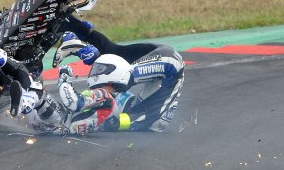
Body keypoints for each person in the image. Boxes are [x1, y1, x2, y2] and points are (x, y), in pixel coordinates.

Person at [23, 24, 185, 134]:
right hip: (169, 66)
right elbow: (76, 105)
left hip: (154, 104)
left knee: (121, 74)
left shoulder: (116, 110)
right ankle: (74, 30)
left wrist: (64, 79)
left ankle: (81, 43)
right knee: (117, 60)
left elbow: (74, 104)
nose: (93, 75)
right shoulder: (113, 102)